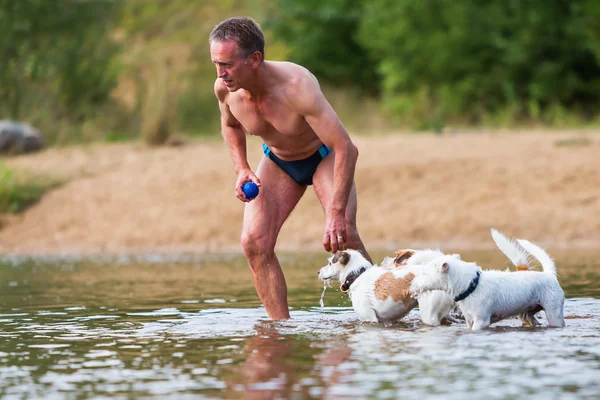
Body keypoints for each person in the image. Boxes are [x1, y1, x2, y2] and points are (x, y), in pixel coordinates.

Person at [210, 17, 370, 320]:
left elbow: (346, 147)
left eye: (228, 64)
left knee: (344, 235)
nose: (221, 73)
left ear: (254, 59)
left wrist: (335, 214)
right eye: (216, 63)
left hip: (322, 154)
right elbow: (230, 125)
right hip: (279, 159)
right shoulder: (225, 90)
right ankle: (279, 331)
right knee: (254, 242)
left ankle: (385, 310)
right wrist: (242, 168)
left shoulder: (297, 87)